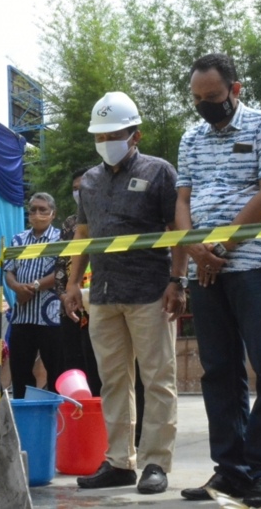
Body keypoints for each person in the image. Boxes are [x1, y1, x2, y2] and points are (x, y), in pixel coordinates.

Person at [175, 53, 261, 507]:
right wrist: (193, 248)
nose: (206, 105)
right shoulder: (190, 139)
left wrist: (222, 249)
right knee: (218, 370)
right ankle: (230, 470)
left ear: (235, 89)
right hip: (203, 268)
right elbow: (182, 199)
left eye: (213, 96)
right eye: (198, 99)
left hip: (252, 265)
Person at [61, 91, 186, 495]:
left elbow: (178, 231)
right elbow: (82, 236)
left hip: (150, 290)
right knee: (112, 380)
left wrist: (178, 281)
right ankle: (119, 461)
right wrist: (72, 284)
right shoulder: (91, 182)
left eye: (114, 134)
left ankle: (155, 462)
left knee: (157, 379)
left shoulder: (159, 172)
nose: (106, 142)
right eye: (99, 136)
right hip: (104, 293)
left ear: (135, 134)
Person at [3, 192, 64, 398]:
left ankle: (57, 420)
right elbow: (8, 270)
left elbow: (62, 272)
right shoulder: (18, 239)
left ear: (52, 214)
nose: (37, 214)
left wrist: (34, 286)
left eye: (42, 210)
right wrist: (18, 288)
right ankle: (23, 418)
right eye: (33, 210)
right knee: (20, 374)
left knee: (56, 374)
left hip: (51, 318)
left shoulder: (61, 239)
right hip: (22, 315)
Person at [54, 168, 102, 396]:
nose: (78, 193)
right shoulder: (71, 223)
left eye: (82, 188)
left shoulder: (106, 215)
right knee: (74, 360)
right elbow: (62, 261)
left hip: (100, 300)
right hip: (73, 302)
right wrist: (65, 293)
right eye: (74, 189)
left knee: (99, 362)